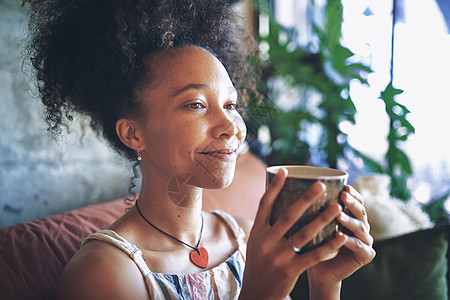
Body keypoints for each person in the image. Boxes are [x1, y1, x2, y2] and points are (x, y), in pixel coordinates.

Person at [23, 0, 375, 299]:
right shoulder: (105, 273)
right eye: (195, 104)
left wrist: (325, 283)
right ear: (133, 134)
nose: (230, 127)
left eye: (231, 105)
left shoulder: (248, 237)